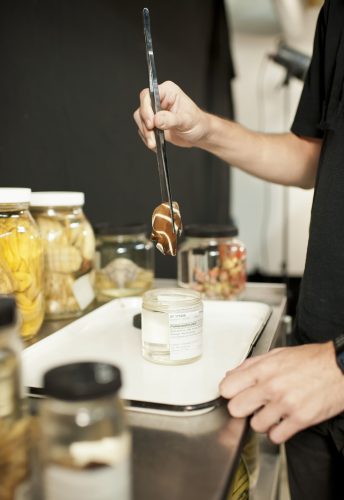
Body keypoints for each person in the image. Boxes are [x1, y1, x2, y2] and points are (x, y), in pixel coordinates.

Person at [134, 1, 344, 498]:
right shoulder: (335, 14)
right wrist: (204, 129)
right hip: (307, 376)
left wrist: (339, 367)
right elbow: (309, 157)